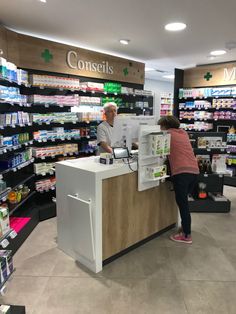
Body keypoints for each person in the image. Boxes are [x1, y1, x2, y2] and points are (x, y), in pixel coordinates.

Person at [158, 116, 199, 244]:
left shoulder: (167, 134)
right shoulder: (183, 133)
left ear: (165, 126)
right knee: (184, 203)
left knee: (183, 205)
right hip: (194, 171)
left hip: (182, 173)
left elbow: (156, 147)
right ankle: (185, 228)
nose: (160, 128)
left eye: (161, 126)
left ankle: (186, 236)